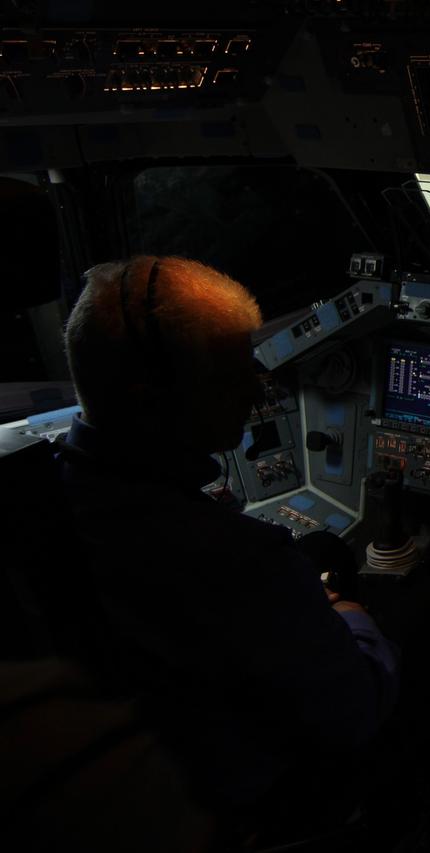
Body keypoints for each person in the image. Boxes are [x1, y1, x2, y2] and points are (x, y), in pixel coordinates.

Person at [52, 255, 398, 838]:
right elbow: (354, 710)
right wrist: (346, 608)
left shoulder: (45, 498)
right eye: (232, 370)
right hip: (249, 811)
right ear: (150, 397)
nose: (259, 386)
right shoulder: (233, 561)